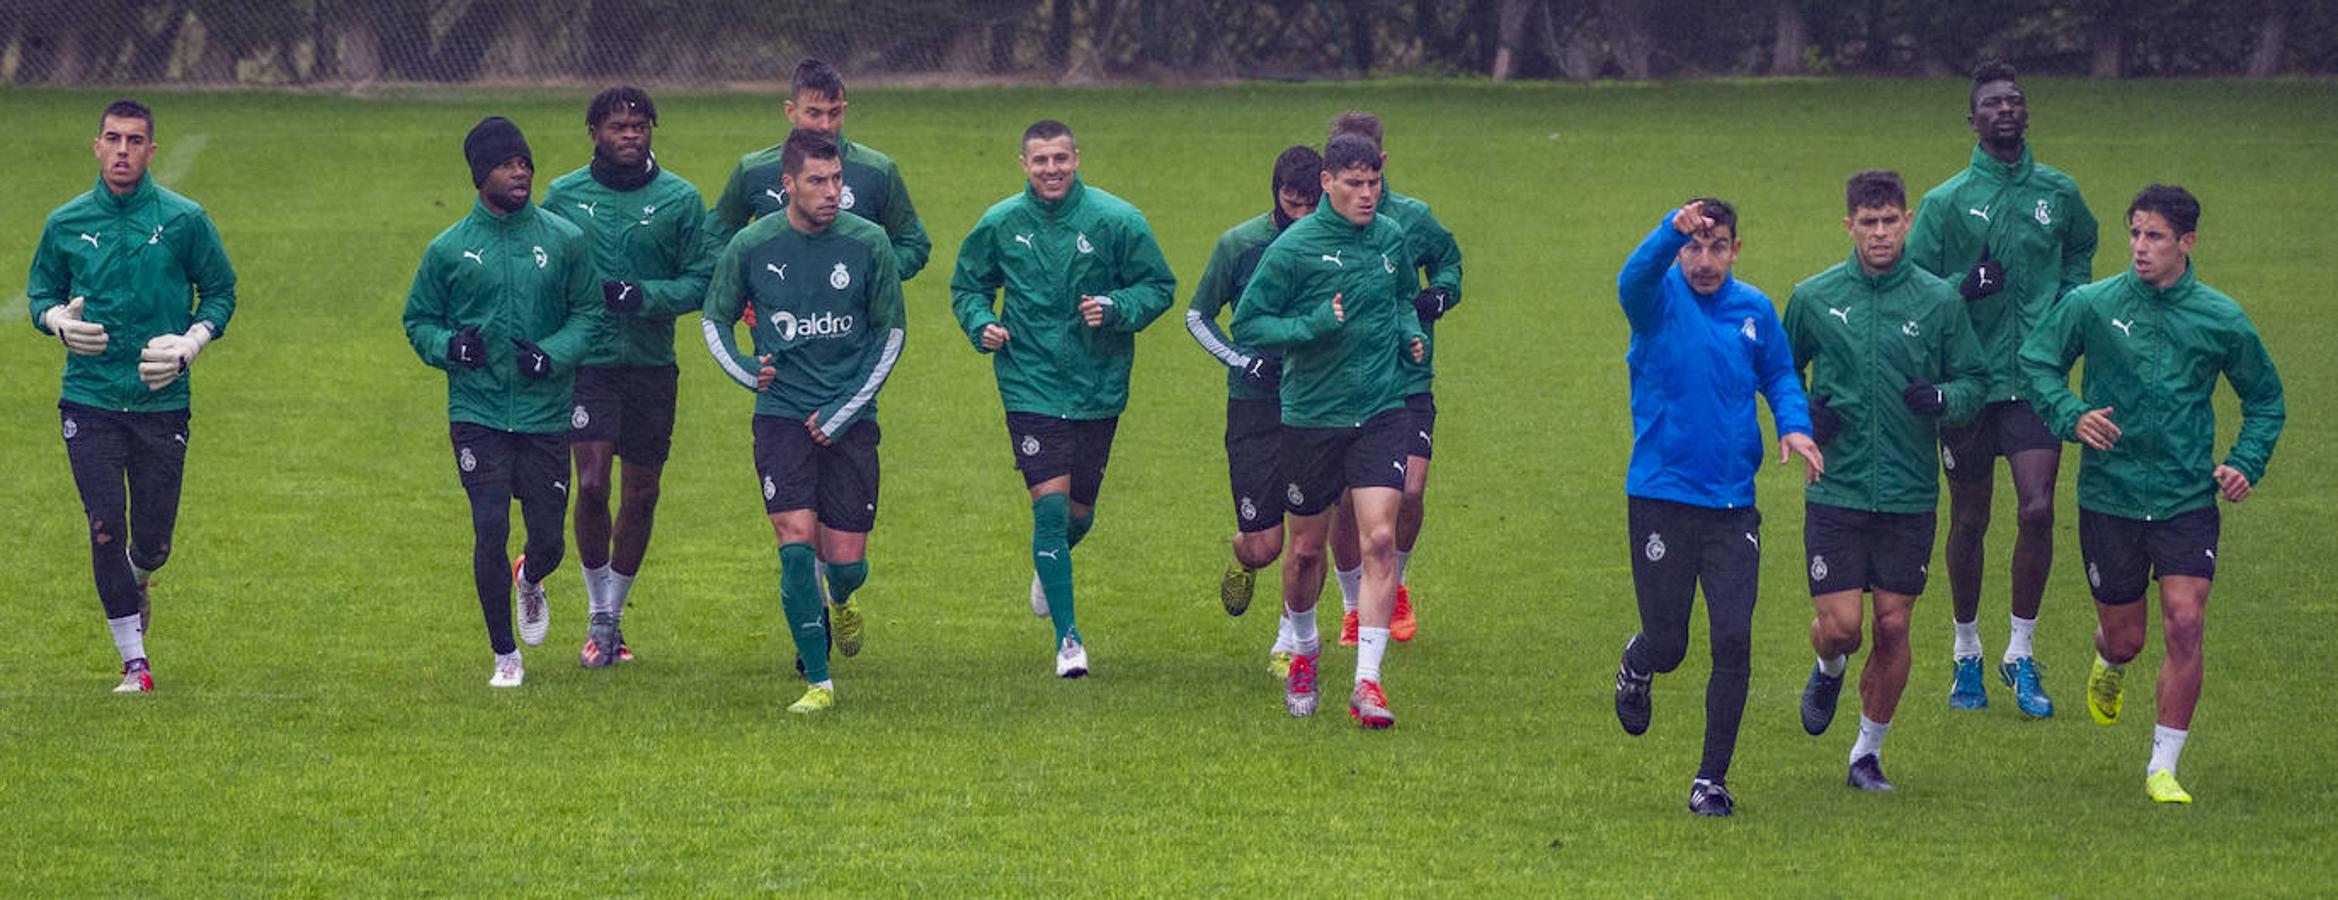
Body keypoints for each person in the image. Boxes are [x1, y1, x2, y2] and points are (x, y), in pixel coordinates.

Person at [2019, 184, 2283, 804]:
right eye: (2134, 233)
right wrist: (2071, 414)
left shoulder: (2222, 318)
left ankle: (2162, 767)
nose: (2140, 247)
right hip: (2108, 498)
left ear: (2186, 243)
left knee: (2186, 624)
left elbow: (2265, 400)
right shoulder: (2092, 304)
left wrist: (2246, 462)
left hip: (2185, 499)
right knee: (2128, 638)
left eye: (2155, 236)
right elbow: (2037, 362)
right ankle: (2108, 660)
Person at [1610, 198, 1822, 816]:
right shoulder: (1656, 303)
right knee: (1670, 644)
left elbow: (1780, 373)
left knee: (1733, 639)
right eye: (1693, 247)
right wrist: (1663, 233)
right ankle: (1640, 660)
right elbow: (1631, 279)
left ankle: (1711, 779)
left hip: (1733, 506)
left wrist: (1793, 423)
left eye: (1718, 246)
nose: (1705, 260)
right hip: (1661, 498)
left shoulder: (1753, 310)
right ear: (1679, 250)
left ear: (1736, 248)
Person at [950, 119, 1176, 678]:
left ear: (1077, 158)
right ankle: (1068, 641)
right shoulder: (1000, 223)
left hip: (1098, 386)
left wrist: (1117, 307)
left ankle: (1049, 564)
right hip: (1028, 381)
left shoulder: (1117, 220)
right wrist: (981, 323)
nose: (1050, 169)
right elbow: (967, 286)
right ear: (1023, 165)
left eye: (1060, 158)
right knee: (1049, 509)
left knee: (1079, 515)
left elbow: (1159, 287)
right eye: (1040, 160)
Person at [1906, 60, 2098, 717]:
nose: (2005, 109)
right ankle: (1966, 652)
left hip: (2036, 380)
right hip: (1969, 381)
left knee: (2038, 509)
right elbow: (1917, 288)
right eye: (1991, 103)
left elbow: (2081, 250)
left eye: (2014, 100)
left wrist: (2066, 309)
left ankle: (2020, 651)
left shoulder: (2059, 192)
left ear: (2026, 112)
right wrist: (1964, 287)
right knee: (1970, 517)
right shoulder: (1946, 202)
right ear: (1973, 120)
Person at [1783, 171, 1986, 792]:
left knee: (1894, 625)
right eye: (1867, 223)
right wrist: (1800, 413)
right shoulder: (1812, 297)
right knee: (1844, 626)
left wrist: (1944, 398)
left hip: (1909, 492)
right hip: (1836, 487)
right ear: (1849, 226)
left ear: (1906, 221)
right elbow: (1777, 373)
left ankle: (1865, 755)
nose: (1879, 233)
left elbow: (1974, 382)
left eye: (1890, 221)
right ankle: (1827, 662)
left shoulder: (1940, 301)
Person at [26, 99, 238, 693]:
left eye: (135, 140)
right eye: (113, 139)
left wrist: (192, 341)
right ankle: (134, 663)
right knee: (103, 527)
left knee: (153, 541)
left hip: (160, 402)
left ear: (150, 151)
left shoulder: (185, 220)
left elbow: (220, 291)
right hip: (88, 400)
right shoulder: (64, 222)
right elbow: (41, 290)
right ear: (96, 146)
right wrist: (56, 322)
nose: (122, 150)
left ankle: (140, 577)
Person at [708, 56, 930, 619]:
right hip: (783, 376)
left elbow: (914, 244)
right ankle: (813, 643)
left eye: (834, 113)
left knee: (846, 558)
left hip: (848, 361)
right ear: (790, 111)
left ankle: (840, 592)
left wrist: (861, 284)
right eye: (813, 112)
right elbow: (716, 242)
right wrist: (755, 293)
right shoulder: (754, 171)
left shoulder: (876, 172)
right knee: (794, 532)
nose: (824, 124)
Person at [701, 129, 906, 714]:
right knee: (794, 544)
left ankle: (841, 600)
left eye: (837, 179)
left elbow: (891, 335)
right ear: (786, 184)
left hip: (850, 416)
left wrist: (843, 410)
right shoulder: (752, 243)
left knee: (847, 564)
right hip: (782, 416)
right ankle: (819, 681)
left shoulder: (870, 244)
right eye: (817, 181)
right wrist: (747, 372)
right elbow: (714, 320)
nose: (832, 192)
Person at [403, 116, 605, 688]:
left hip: (544, 414)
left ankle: (531, 577)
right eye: (506, 164)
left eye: (525, 163)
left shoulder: (564, 240)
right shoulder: (448, 250)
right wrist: (450, 348)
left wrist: (553, 354)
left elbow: (588, 314)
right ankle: (504, 655)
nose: (521, 172)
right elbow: (418, 320)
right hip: (479, 413)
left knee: (549, 540)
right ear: (479, 174)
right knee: (489, 527)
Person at [1231, 133, 1424, 728]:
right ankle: (1306, 650)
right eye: (1355, 185)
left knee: (1378, 540)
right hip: (1313, 415)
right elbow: (1249, 321)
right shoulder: (1295, 248)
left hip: (1383, 410)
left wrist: (1407, 334)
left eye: (1374, 185)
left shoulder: (1391, 239)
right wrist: (1314, 322)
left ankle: (1368, 683)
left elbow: (1400, 300)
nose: (1368, 196)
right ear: (1328, 184)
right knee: (1306, 550)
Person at [542, 86, 715, 668]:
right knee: (591, 484)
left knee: (642, 491)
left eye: (640, 126)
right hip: (588, 363)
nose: (630, 134)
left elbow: (701, 280)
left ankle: (615, 616)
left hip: (650, 366)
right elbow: (546, 272)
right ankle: (597, 614)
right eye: (618, 126)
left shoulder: (681, 200)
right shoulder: (564, 196)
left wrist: (644, 297)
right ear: (593, 132)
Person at [1321, 111, 1463, 648]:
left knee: (1410, 489)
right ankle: (1354, 604)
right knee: (1343, 500)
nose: (1360, 180)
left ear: (1382, 163)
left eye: (1368, 169)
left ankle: (1394, 584)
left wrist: (1439, 296)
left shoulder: (1412, 218)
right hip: (1339, 380)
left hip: (1406, 375)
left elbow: (1450, 264)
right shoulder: (1315, 229)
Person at [1183, 144, 1323, 678]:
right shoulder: (1239, 244)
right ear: (1277, 195)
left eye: (1312, 205)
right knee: (1266, 545)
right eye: (1293, 203)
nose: (1302, 215)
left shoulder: (1339, 246)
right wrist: (1243, 361)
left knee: (1309, 536)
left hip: (1318, 404)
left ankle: (1291, 638)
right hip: (1254, 408)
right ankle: (1243, 559)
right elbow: (1198, 316)